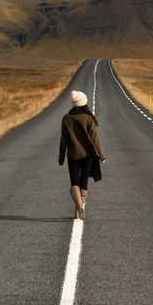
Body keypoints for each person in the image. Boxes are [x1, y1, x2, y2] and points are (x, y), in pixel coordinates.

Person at [58, 90, 106, 220]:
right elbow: (95, 139)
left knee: (75, 183)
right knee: (83, 184)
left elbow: (63, 140)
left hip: (72, 156)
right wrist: (102, 155)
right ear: (83, 103)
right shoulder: (88, 118)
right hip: (88, 156)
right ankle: (80, 209)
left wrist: (61, 158)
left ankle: (78, 210)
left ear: (73, 104)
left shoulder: (66, 118)